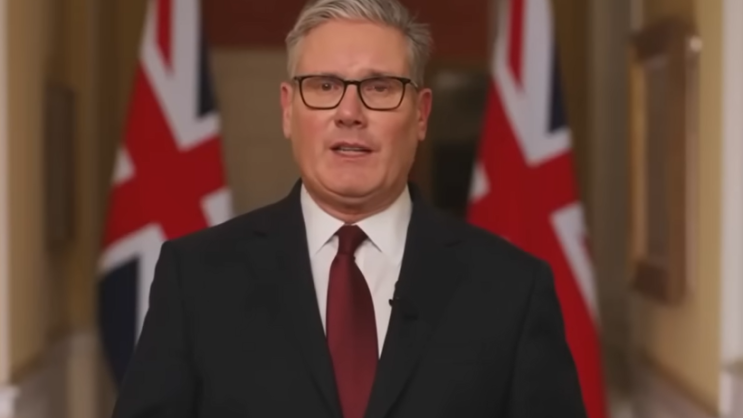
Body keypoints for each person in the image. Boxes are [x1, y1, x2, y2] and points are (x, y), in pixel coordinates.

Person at [111, 0, 588, 417]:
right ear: (288, 109)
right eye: (324, 86)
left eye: (379, 87)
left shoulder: (511, 289)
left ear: (421, 114)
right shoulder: (197, 278)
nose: (349, 112)